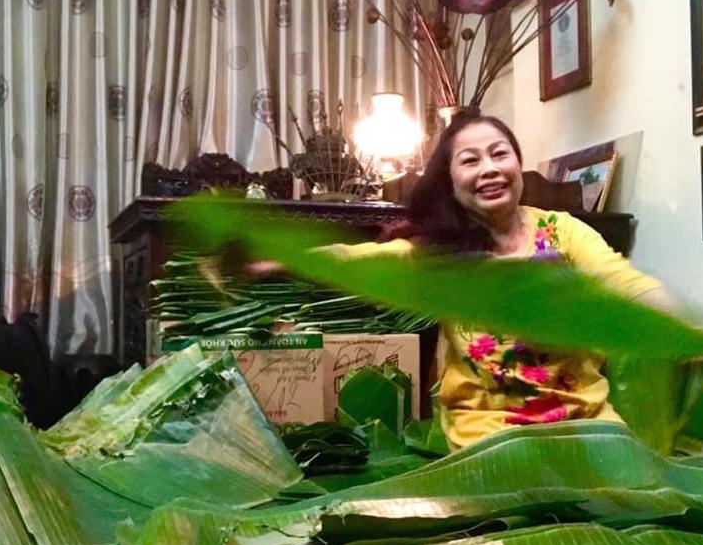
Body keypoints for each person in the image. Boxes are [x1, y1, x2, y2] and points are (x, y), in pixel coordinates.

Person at [249, 114, 676, 448]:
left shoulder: (564, 232)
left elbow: (626, 283)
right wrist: (284, 261)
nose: (489, 169)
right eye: (470, 161)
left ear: (518, 164)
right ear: (451, 182)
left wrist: (684, 331)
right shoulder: (442, 254)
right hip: (489, 435)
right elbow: (359, 260)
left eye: (499, 154)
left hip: (586, 422)